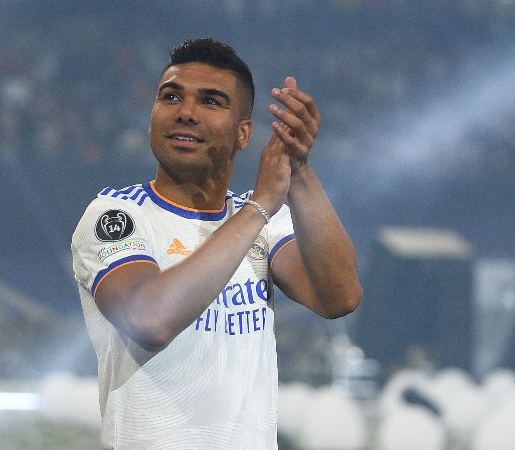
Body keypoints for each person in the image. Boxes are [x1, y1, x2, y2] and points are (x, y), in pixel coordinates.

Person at [71, 37, 362, 449]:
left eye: (210, 102)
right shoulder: (117, 216)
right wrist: (259, 205)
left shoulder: (263, 219)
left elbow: (340, 297)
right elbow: (150, 320)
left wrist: (299, 170)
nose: (186, 113)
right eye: (171, 96)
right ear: (152, 116)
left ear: (243, 134)